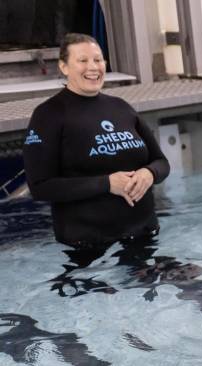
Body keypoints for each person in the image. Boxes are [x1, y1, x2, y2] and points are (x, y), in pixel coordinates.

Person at [23, 33, 170, 253]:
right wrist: (107, 184)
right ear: (64, 67)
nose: (93, 67)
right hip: (88, 245)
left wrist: (149, 174)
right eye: (83, 61)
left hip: (144, 234)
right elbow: (40, 187)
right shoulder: (49, 115)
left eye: (98, 60)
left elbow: (161, 162)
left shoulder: (121, 107)